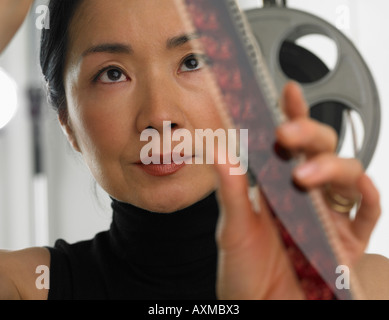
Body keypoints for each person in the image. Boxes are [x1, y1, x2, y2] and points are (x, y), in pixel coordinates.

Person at [0, 0, 388, 300]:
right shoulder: (22, 286)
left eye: (192, 61)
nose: (159, 116)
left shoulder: (366, 286)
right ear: (68, 122)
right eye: (112, 73)